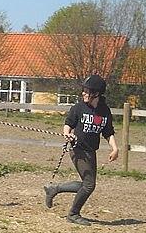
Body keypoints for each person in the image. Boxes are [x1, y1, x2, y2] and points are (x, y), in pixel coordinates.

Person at [44, 74, 119, 225]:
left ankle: (54, 189)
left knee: (87, 184)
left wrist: (115, 148)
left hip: (91, 151)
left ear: (96, 93)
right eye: (83, 90)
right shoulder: (78, 108)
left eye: (87, 91)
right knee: (89, 185)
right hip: (78, 149)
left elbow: (108, 132)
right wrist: (67, 133)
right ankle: (73, 214)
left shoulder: (104, 111)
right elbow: (68, 123)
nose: (83, 93)